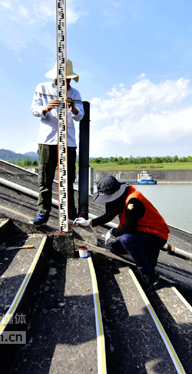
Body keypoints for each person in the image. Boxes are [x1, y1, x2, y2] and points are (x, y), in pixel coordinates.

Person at [75, 176, 170, 291]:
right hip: (141, 232)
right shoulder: (118, 198)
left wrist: (112, 231)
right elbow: (109, 215)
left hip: (157, 236)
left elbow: (129, 227)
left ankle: (148, 274)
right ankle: (148, 253)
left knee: (126, 240)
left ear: (116, 193)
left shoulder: (133, 200)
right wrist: (90, 222)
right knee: (114, 247)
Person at [29, 59, 84, 226]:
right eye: (62, 78)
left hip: (68, 142)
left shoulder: (75, 93)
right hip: (47, 140)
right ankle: (43, 214)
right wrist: (45, 108)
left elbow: (80, 116)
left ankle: (71, 213)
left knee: (68, 179)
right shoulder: (42, 88)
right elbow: (34, 110)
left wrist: (73, 108)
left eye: (68, 79)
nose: (65, 82)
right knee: (45, 179)